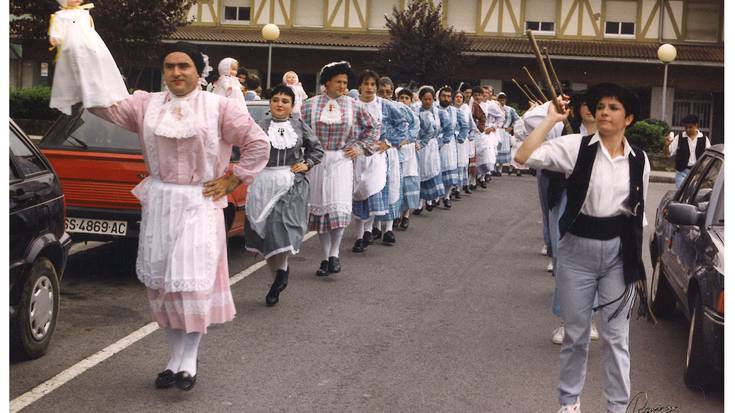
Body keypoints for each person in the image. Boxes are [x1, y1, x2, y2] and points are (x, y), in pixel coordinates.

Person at [88, 41, 270, 391]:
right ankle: (173, 359)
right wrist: (78, 48)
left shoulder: (219, 107)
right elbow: (100, 104)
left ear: (198, 71)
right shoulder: (146, 105)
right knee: (163, 286)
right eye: (170, 66)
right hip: (159, 204)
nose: (176, 72)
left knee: (190, 284)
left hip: (200, 203)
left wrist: (233, 177)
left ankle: (189, 361)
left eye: (183, 66)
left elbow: (257, 142)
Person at [515, 83, 650, 413]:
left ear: (628, 118)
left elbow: (637, 216)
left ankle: (617, 407)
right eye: (600, 106)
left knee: (616, 338)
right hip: (577, 253)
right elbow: (523, 156)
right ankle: (570, 402)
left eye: (613, 107)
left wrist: (635, 263)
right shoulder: (576, 147)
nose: (604, 111)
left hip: (619, 255)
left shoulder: (640, 161)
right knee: (576, 336)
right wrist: (549, 120)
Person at [243, 85, 324, 306]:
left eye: (285, 101)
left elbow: (317, 150)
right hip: (263, 182)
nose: (280, 104)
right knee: (266, 235)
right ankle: (280, 275)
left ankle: (281, 270)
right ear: (270, 103)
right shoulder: (259, 127)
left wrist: (306, 163)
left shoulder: (299, 127)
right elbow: (245, 150)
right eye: (276, 100)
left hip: (291, 183)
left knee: (281, 227)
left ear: (291, 105)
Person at [301, 61, 379, 276]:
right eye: (338, 82)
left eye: (345, 82)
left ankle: (335, 254)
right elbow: (301, 132)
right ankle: (325, 258)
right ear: (327, 82)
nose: (343, 86)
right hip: (317, 161)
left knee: (340, 209)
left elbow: (373, 128)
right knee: (322, 212)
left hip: (342, 161)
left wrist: (359, 147)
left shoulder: (354, 105)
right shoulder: (309, 105)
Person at [48, 0, 129, 115]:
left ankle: (105, 95)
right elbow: (56, 31)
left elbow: (89, 29)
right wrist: (55, 37)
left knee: (95, 70)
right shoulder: (60, 15)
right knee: (74, 73)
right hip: (71, 47)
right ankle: (84, 96)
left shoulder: (84, 13)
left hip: (89, 46)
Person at [350, 70, 397, 252]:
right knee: (358, 193)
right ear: (360, 86)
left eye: (372, 84)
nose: (369, 88)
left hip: (376, 157)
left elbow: (406, 121)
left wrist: (388, 142)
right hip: (356, 156)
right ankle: (361, 233)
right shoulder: (352, 105)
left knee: (371, 190)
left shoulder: (383, 105)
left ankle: (365, 234)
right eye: (366, 84)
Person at [415, 86, 445, 211]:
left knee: (433, 170)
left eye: (430, 99)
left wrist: (441, 140)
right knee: (421, 171)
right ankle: (419, 202)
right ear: (421, 99)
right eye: (425, 99)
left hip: (433, 144)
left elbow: (446, 126)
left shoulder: (438, 112)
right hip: (421, 145)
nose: (428, 101)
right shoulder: (416, 112)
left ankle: (431, 200)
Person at [396, 88, 422, 228]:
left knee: (409, 183)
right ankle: (396, 214)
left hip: (410, 152)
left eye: (407, 98)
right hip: (396, 151)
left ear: (411, 101)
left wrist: (413, 142)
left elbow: (415, 132)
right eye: (402, 98)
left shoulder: (414, 116)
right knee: (397, 183)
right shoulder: (394, 114)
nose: (404, 100)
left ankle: (406, 215)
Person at [664, 114, 711, 189]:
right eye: (686, 127)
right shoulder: (679, 138)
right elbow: (668, 154)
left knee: (693, 197)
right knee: (680, 195)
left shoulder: (704, 139)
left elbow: (709, 158)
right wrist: (666, 145)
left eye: (690, 127)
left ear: (696, 125)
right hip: (682, 172)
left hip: (697, 173)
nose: (687, 129)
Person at [436, 86, 460, 209]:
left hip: (450, 144)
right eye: (443, 96)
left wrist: (458, 136)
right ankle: (434, 197)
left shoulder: (455, 111)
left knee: (450, 171)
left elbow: (461, 126)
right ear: (439, 97)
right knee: (436, 170)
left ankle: (446, 196)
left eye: (448, 96)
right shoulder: (434, 109)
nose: (446, 98)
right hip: (435, 143)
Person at [496, 92, 521, 175]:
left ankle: (500, 169)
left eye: (503, 99)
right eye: (500, 99)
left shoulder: (510, 110)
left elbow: (518, 119)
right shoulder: (494, 108)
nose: (501, 101)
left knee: (503, 149)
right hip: (496, 130)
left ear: (505, 100)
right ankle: (494, 168)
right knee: (495, 149)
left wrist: (512, 127)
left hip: (505, 131)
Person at [453, 90, 472, 196]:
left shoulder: (466, 110)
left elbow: (470, 124)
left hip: (462, 140)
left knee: (462, 163)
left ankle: (459, 187)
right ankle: (453, 186)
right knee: (453, 164)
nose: (459, 99)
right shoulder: (449, 110)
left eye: (460, 97)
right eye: (456, 97)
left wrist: (471, 135)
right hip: (451, 140)